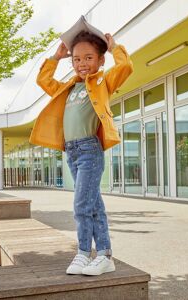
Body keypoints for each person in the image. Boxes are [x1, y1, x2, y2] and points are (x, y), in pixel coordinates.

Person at [30, 30, 133, 276]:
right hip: (72, 153)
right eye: (77, 59)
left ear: (100, 60)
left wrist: (114, 46)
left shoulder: (102, 82)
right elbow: (44, 81)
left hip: (89, 151)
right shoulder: (68, 87)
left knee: (81, 206)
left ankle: (84, 252)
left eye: (88, 58)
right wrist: (56, 57)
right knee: (93, 205)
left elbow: (126, 66)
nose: (82, 64)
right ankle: (105, 255)